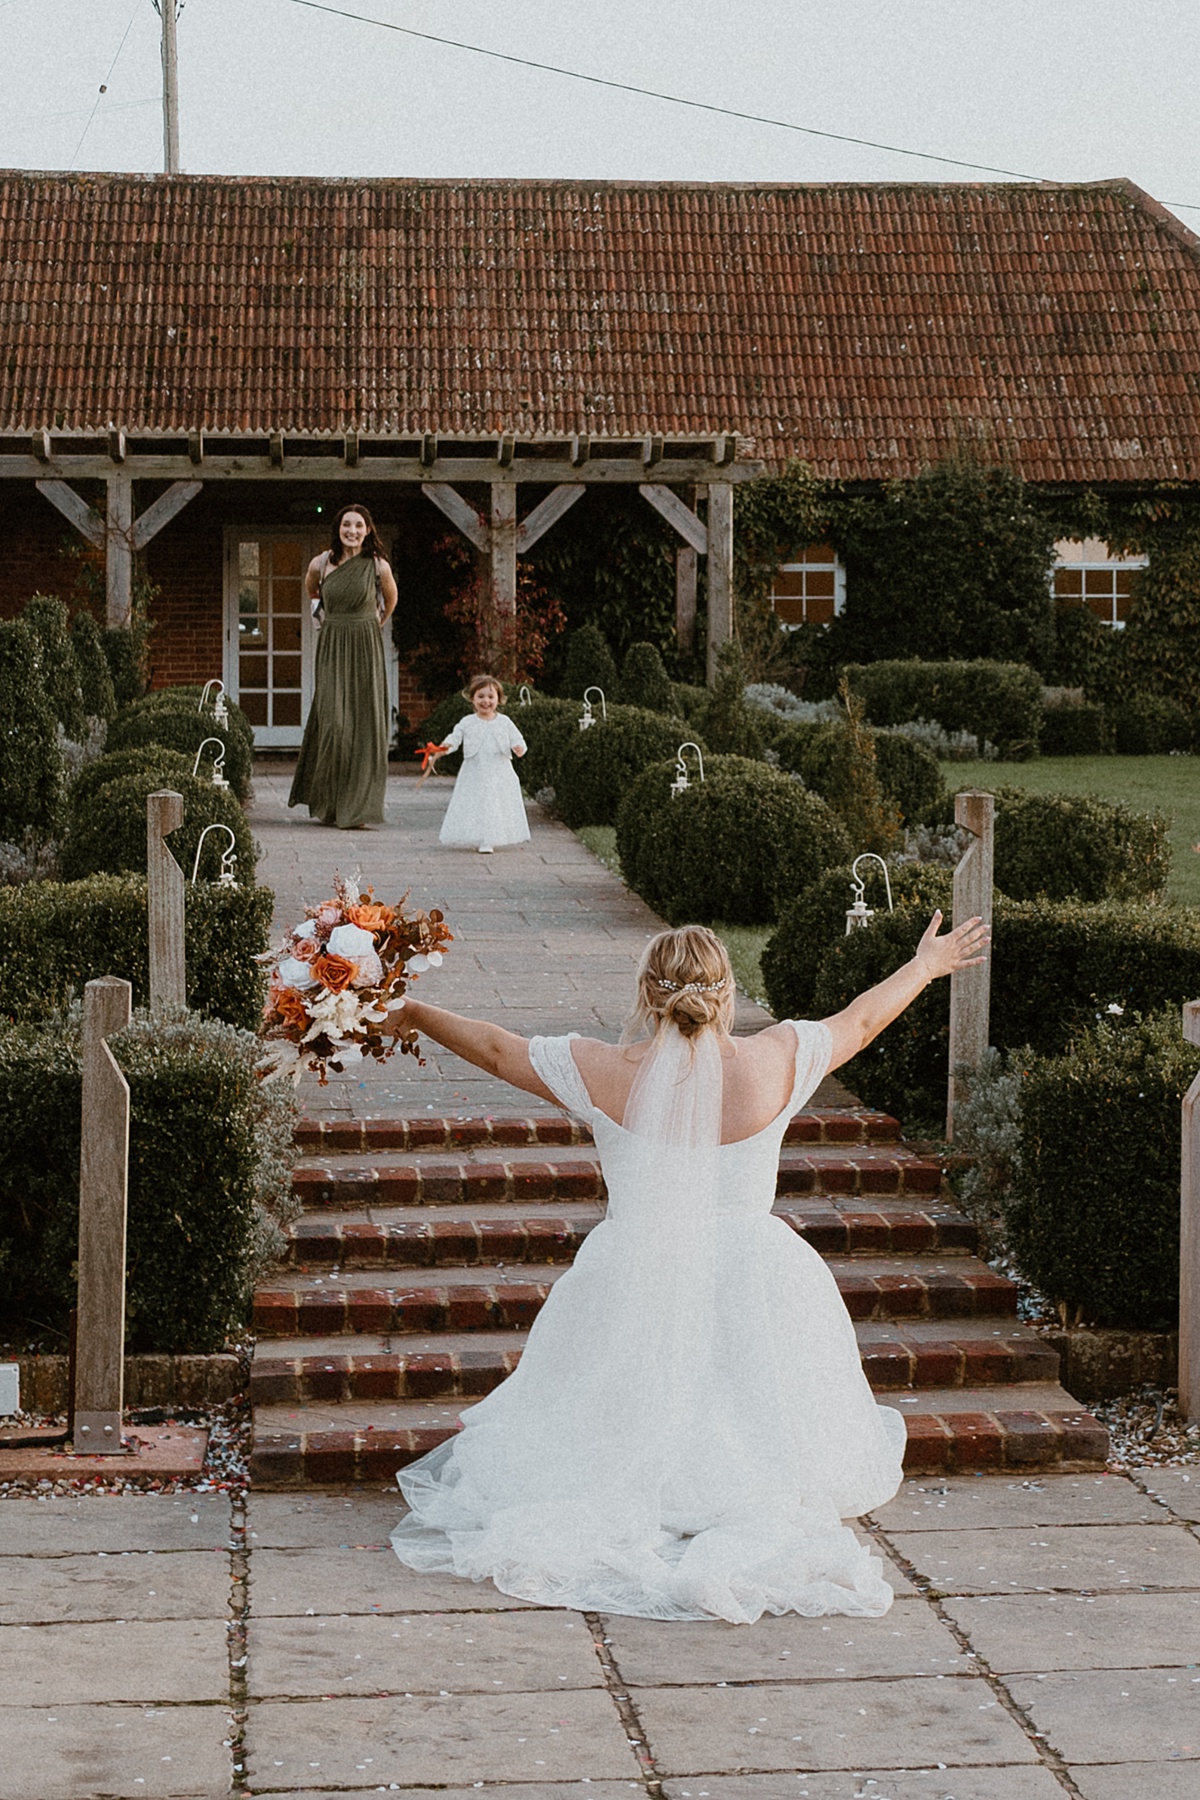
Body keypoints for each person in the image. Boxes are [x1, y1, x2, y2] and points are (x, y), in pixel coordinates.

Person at [390, 911, 990, 1624]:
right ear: (728, 992)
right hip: (758, 1271)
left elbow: (494, 1050)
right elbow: (860, 1023)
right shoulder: (780, 1057)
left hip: (631, 1270)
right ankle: (736, 1488)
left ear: (646, 995)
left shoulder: (599, 1068)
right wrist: (926, 964)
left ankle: (648, 1485)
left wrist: (416, 1010)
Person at [288, 503, 398, 830]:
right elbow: (311, 591)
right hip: (333, 641)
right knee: (334, 721)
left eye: (358, 526)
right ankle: (330, 803)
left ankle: (359, 808)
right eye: (346, 525)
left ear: (367, 530)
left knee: (363, 723)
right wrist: (321, 618)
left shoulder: (378, 565)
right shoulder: (321, 563)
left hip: (365, 642)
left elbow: (390, 600)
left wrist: (376, 622)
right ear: (338, 528)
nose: (352, 531)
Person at [427, 673, 529, 854]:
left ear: (499, 699)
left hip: (499, 771)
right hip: (475, 771)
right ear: (472, 699)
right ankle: (480, 836)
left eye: (491, 697)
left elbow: (517, 739)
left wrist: (519, 747)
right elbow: (454, 739)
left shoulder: (504, 722)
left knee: (495, 803)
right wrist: (441, 749)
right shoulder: (467, 722)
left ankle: (490, 838)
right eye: (480, 696)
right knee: (477, 803)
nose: (486, 701)